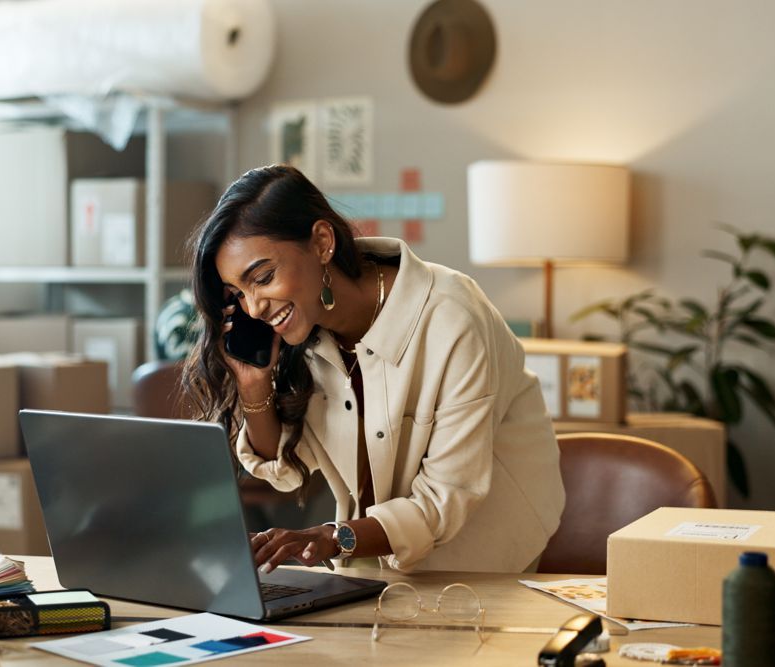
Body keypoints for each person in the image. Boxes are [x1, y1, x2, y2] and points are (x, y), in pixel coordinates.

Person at [182, 164, 565, 574]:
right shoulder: (306, 333)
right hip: (371, 564)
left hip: (482, 563)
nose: (254, 307)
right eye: (239, 293)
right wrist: (253, 385)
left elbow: (445, 499)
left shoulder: (451, 316)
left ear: (322, 242)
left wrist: (330, 537)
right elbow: (286, 472)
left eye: (263, 277)